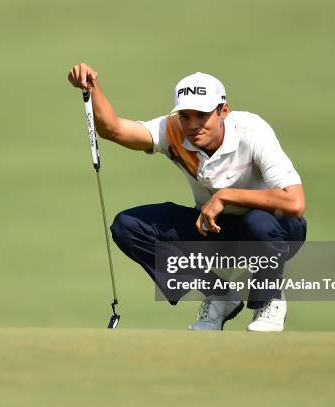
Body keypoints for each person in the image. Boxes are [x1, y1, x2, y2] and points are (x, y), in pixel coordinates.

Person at [67, 63, 307, 332]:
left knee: (258, 224)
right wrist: (93, 88)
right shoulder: (173, 131)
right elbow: (113, 130)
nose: (193, 125)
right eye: (185, 115)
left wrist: (226, 197)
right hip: (214, 230)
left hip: (275, 232)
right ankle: (219, 294)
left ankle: (269, 300)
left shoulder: (252, 131)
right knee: (128, 226)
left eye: (202, 115)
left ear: (223, 112)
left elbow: (295, 203)